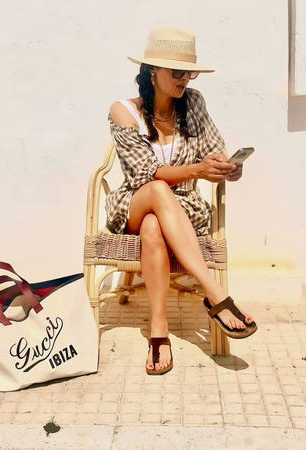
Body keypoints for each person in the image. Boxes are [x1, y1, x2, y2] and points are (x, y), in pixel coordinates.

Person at [105, 27, 257, 375]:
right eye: (177, 73)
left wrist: (224, 168)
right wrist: (198, 170)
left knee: (155, 225)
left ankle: (159, 331)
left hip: (181, 209)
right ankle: (215, 294)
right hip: (133, 202)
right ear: (152, 72)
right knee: (157, 193)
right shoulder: (123, 111)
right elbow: (145, 174)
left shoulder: (194, 103)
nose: (185, 79)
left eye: (189, 73)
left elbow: (212, 151)